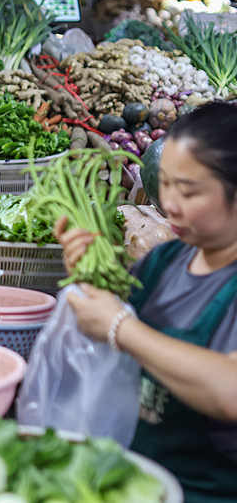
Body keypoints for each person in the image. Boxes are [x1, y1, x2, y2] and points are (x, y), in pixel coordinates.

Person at [56, 102, 237, 502]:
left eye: (189, 190)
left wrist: (122, 327)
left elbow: (229, 391)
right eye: (166, 184)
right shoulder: (165, 260)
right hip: (135, 481)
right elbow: (107, 339)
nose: (169, 204)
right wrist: (88, 280)